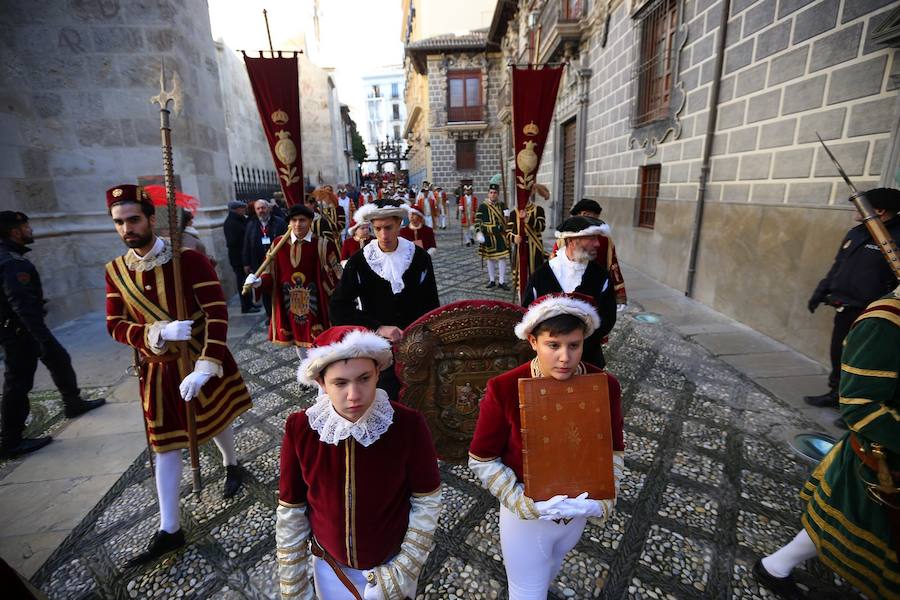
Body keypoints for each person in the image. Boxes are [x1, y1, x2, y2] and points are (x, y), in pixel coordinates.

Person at [104, 185, 252, 564]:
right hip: (156, 371)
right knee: (164, 445)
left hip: (200, 356)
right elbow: (114, 325)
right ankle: (169, 527)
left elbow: (218, 312)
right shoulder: (115, 272)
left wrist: (206, 366)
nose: (127, 228)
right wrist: (152, 333)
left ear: (151, 219)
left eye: (133, 219)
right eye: (119, 222)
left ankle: (231, 464)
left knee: (217, 417)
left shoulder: (188, 260)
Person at [468, 294, 624, 600]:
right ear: (533, 341)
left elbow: (615, 448)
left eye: (574, 345)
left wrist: (606, 495)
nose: (565, 357)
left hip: (578, 512)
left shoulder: (605, 384)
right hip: (527, 517)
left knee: (552, 567)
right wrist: (521, 502)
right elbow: (481, 458)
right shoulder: (503, 388)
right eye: (554, 345)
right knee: (527, 592)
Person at [754, 290, 900, 600]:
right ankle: (775, 566)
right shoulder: (887, 321)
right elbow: (860, 405)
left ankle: (775, 566)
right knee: (844, 522)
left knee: (837, 522)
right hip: (881, 460)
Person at [276, 325, 442, 599]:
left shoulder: (408, 424)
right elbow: (292, 510)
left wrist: (402, 569)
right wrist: (294, 587)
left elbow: (426, 501)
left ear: (378, 372)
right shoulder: (300, 428)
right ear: (321, 383)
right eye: (340, 383)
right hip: (331, 568)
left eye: (364, 378)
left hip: (393, 563)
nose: (353, 394)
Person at [0, 211, 105, 458]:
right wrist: (40, 337)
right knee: (18, 384)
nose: (31, 230)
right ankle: (10, 441)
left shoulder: (9, 257)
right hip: (21, 332)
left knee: (59, 359)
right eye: (27, 226)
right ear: (15, 232)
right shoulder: (13, 262)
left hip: (20, 329)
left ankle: (73, 402)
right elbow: (21, 304)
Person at [329, 198, 440, 399]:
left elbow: (431, 303)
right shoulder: (359, 262)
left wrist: (424, 336)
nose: (383, 235)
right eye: (378, 228)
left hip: (415, 347)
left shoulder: (420, 257)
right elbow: (338, 308)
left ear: (399, 224)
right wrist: (377, 327)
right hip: (376, 349)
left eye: (389, 227)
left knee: (420, 400)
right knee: (385, 400)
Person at [804, 187, 900, 415]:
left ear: (878, 210)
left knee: (862, 362)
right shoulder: (857, 232)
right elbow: (838, 265)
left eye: (861, 205)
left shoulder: (894, 238)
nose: (855, 209)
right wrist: (821, 292)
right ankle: (835, 394)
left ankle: (857, 408)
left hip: (871, 314)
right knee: (838, 353)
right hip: (844, 306)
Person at [243, 204, 342, 354]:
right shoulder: (278, 244)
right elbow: (269, 272)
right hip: (287, 302)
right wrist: (260, 282)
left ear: (310, 222)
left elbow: (336, 274)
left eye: (302, 220)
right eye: (293, 220)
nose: (297, 224)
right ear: (289, 222)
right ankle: (305, 371)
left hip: (316, 303)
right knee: (298, 342)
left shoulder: (323, 244)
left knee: (319, 341)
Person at [524, 216, 617, 369]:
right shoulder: (541, 276)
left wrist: (578, 346)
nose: (598, 244)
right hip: (547, 363)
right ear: (572, 240)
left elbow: (608, 318)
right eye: (591, 238)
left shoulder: (601, 276)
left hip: (588, 358)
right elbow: (527, 315)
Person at [562, 199, 628, 307]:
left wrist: (618, 295)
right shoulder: (564, 238)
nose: (597, 221)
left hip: (596, 290)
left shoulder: (605, 240)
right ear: (584, 214)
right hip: (568, 293)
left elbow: (612, 266)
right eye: (595, 217)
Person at [243, 199, 287, 319]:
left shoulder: (279, 223)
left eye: (263, 208)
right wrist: (246, 262)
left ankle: (281, 315)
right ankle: (270, 316)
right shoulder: (251, 225)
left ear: (269, 208)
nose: (261, 211)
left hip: (277, 262)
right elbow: (246, 243)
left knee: (278, 289)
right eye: (258, 208)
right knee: (264, 290)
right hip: (259, 263)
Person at [223, 200, 258, 314]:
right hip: (238, 259)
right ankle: (246, 306)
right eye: (242, 209)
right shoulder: (231, 222)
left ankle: (250, 303)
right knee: (242, 281)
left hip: (243, 257)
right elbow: (233, 242)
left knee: (246, 280)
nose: (244, 210)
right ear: (237, 210)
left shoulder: (240, 220)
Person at [508, 186, 548, 279]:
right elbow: (508, 232)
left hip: (535, 247)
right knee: (520, 276)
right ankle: (520, 293)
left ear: (531, 193)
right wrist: (514, 238)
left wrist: (528, 219)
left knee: (536, 275)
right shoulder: (514, 213)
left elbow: (542, 227)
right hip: (520, 247)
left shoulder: (538, 210)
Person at [476, 183, 510, 290]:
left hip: (500, 236)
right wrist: (478, 232)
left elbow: (508, 223)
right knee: (489, 259)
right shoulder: (483, 206)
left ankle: (502, 281)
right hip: (488, 235)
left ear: (498, 194)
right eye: (491, 192)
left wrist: (507, 216)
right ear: (488, 193)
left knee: (502, 258)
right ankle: (492, 280)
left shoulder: (503, 205)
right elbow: (478, 221)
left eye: (495, 193)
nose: (493, 194)